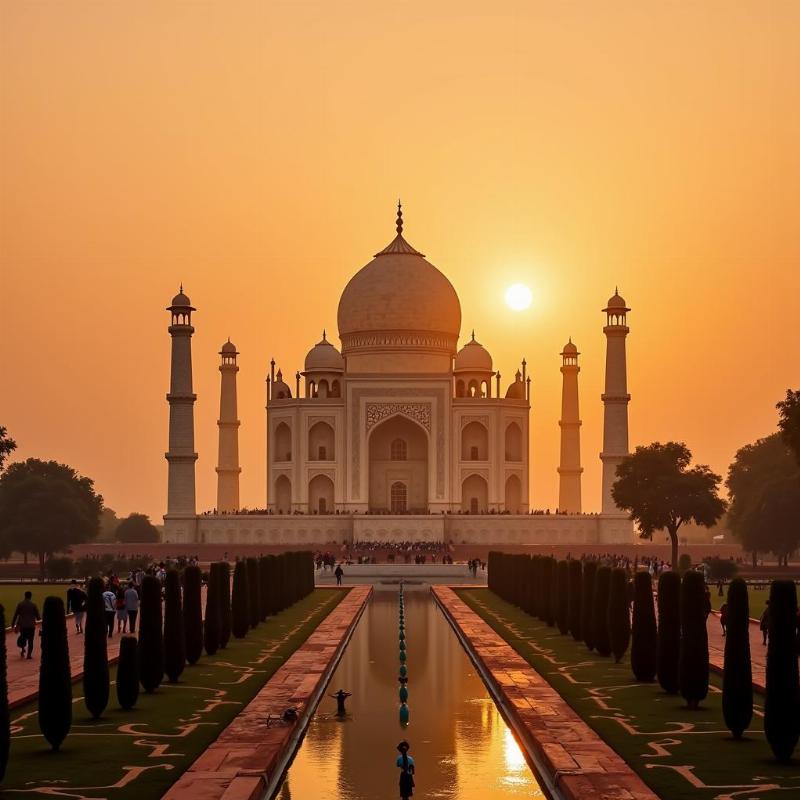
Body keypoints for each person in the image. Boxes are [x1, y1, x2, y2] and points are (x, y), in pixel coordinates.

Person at [12, 591, 40, 659]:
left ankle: (22, 649)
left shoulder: (20, 604)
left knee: (23, 638)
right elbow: (38, 617)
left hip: (23, 626)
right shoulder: (34, 605)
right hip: (31, 626)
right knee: (31, 640)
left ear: (25, 596)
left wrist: (13, 623)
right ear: (30, 596)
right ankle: (29, 655)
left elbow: (16, 614)